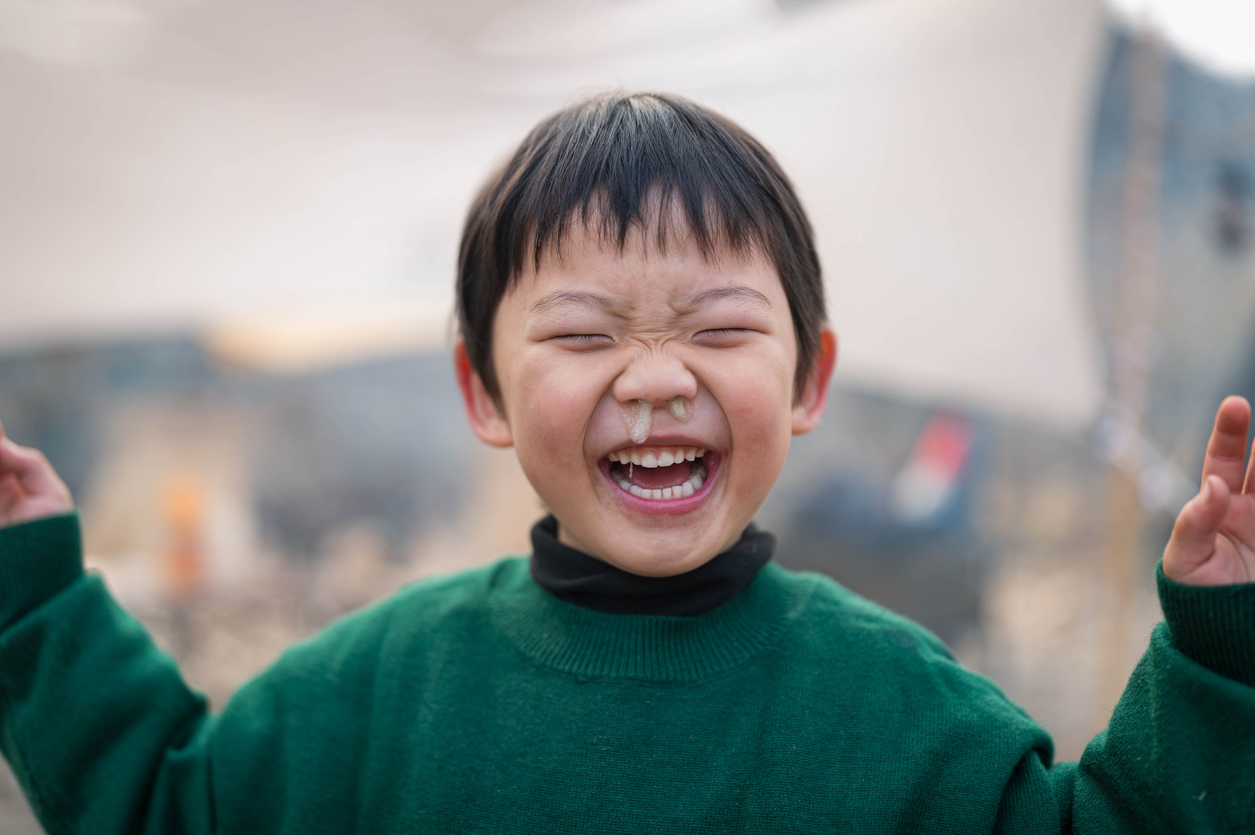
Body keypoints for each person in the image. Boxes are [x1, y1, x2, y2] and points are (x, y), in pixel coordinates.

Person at [0, 92, 1252, 834]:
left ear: (809, 378)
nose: (656, 376)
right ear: (481, 391)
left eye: (715, 328)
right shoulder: (380, 689)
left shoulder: (889, 709)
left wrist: (1215, 649)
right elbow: (165, 810)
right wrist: (40, 595)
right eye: (586, 334)